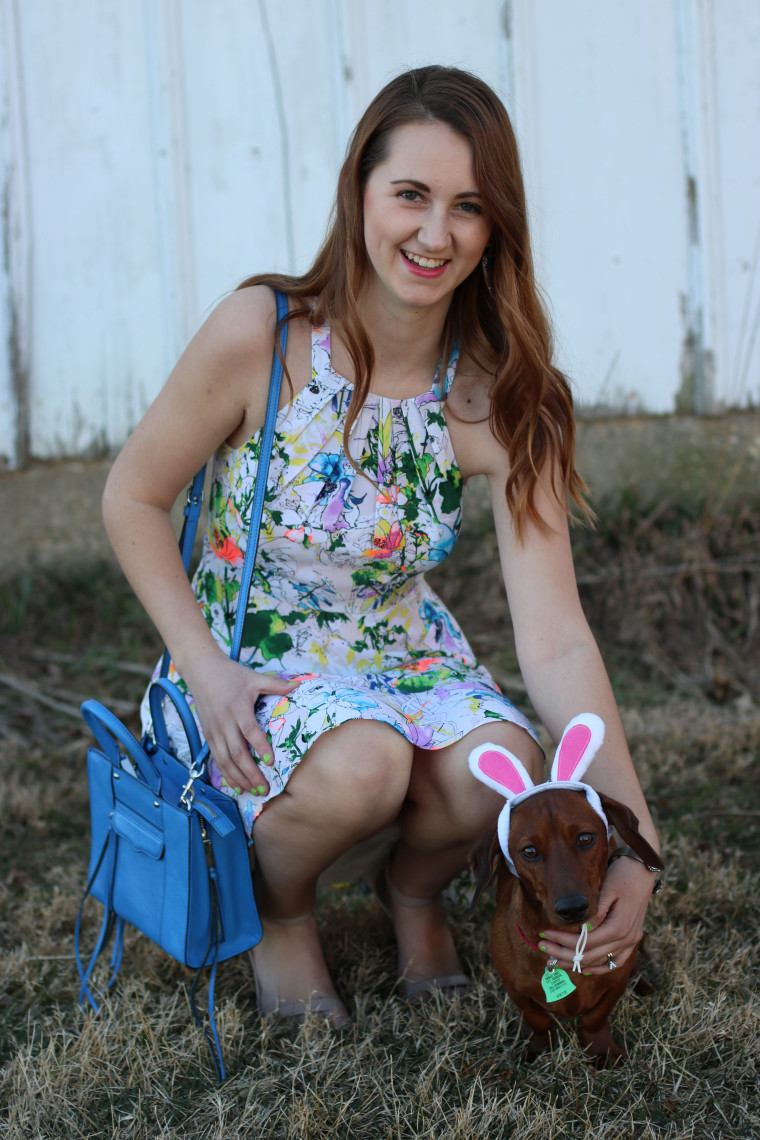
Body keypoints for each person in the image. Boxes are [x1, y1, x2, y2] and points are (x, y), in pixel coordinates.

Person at [103, 65, 661, 1027]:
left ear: (497, 231)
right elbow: (132, 498)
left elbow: (558, 638)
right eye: (411, 194)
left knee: (507, 759)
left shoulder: (503, 395)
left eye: (469, 208)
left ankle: (411, 893)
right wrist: (202, 669)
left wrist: (637, 841)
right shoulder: (263, 335)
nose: (435, 234)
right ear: (361, 189)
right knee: (367, 764)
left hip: (403, 653)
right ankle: (278, 909)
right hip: (250, 659)